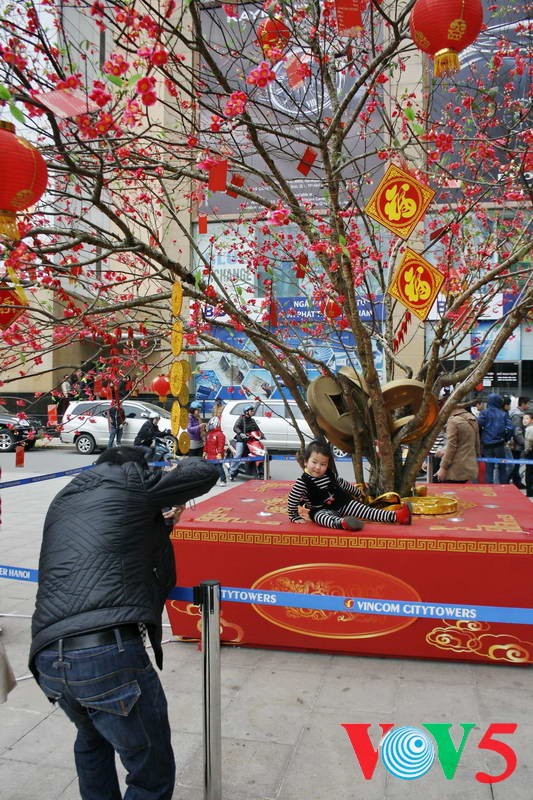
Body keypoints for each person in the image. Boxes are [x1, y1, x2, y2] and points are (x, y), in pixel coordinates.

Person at [29, 446, 218, 800]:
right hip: (106, 655)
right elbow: (204, 474)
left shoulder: (65, 496)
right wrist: (183, 460)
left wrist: (158, 523)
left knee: (91, 743)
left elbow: (109, 542)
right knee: (150, 769)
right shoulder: (131, 479)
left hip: (48, 655)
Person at [287, 441, 412, 530]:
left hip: (343, 502)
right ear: (305, 461)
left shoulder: (330, 475)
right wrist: (294, 516)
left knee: (367, 511)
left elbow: (342, 484)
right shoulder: (302, 482)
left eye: (323, 464)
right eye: (314, 462)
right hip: (321, 509)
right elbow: (293, 498)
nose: (318, 467)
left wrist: (357, 492)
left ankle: (398, 516)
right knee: (321, 518)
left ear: (327, 465)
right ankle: (343, 523)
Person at [435, 404, 480, 483]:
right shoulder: (472, 419)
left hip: (455, 469)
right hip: (469, 466)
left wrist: (443, 467)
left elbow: (451, 446)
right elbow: (476, 443)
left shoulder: (453, 421)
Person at [477, 393, 513, 484]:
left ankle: (489, 488)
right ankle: (503, 486)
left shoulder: (484, 413)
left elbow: (478, 425)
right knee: (502, 467)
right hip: (500, 444)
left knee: (489, 468)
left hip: (487, 444)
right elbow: (510, 428)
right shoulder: (503, 414)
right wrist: (505, 438)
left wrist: (482, 437)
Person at [229, 404, 263, 480]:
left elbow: (258, 429)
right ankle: (232, 472)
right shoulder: (241, 419)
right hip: (241, 440)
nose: (252, 412)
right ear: (246, 412)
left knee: (260, 453)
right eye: (251, 411)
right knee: (238, 455)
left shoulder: (252, 420)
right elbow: (235, 427)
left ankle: (261, 472)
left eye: (253, 411)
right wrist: (241, 433)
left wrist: (262, 435)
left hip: (251, 440)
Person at [203, 416, 235, 485]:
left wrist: (219, 453)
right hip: (210, 455)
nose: (210, 426)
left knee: (219, 468)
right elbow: (207, 444)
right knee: (211, 469)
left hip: (217, 455)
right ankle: (212, 481)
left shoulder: (220, 434)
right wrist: (205, 451)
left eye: (212, 424)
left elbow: (221, 445)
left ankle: (223, 480)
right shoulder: (209, 434)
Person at [508, 396, 530, 490]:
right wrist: (523, 443)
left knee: (516, 464)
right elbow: (517, 431)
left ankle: (516, 481)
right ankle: (514, 482)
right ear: (523, 404)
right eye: (527, 403)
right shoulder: (517, 415)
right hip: (516, 445)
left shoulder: (519, 414)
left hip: (517, 444)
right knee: (515, 464)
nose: (528, 406)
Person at [523, 412, 533, 497]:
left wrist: (526, 450)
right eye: (523, 418)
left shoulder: (529, 429)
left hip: (530, 453)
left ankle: (529, 492)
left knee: (529, 473)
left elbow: (528, 442)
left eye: (527, 418)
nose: (524, 420)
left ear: (532, 420)